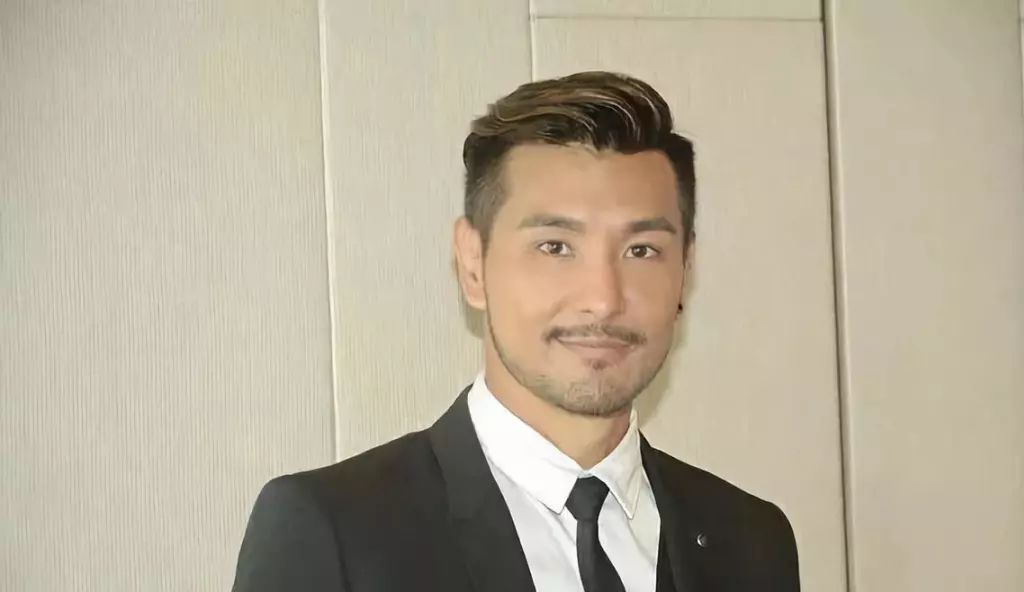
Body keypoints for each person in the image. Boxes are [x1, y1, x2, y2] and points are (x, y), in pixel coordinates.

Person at [232, 71, 799, 592]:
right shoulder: (334, 532)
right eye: (555, 247)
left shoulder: (752, 541)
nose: (604, 298)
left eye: (642, 250)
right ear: (473, 265)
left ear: (685, 270)